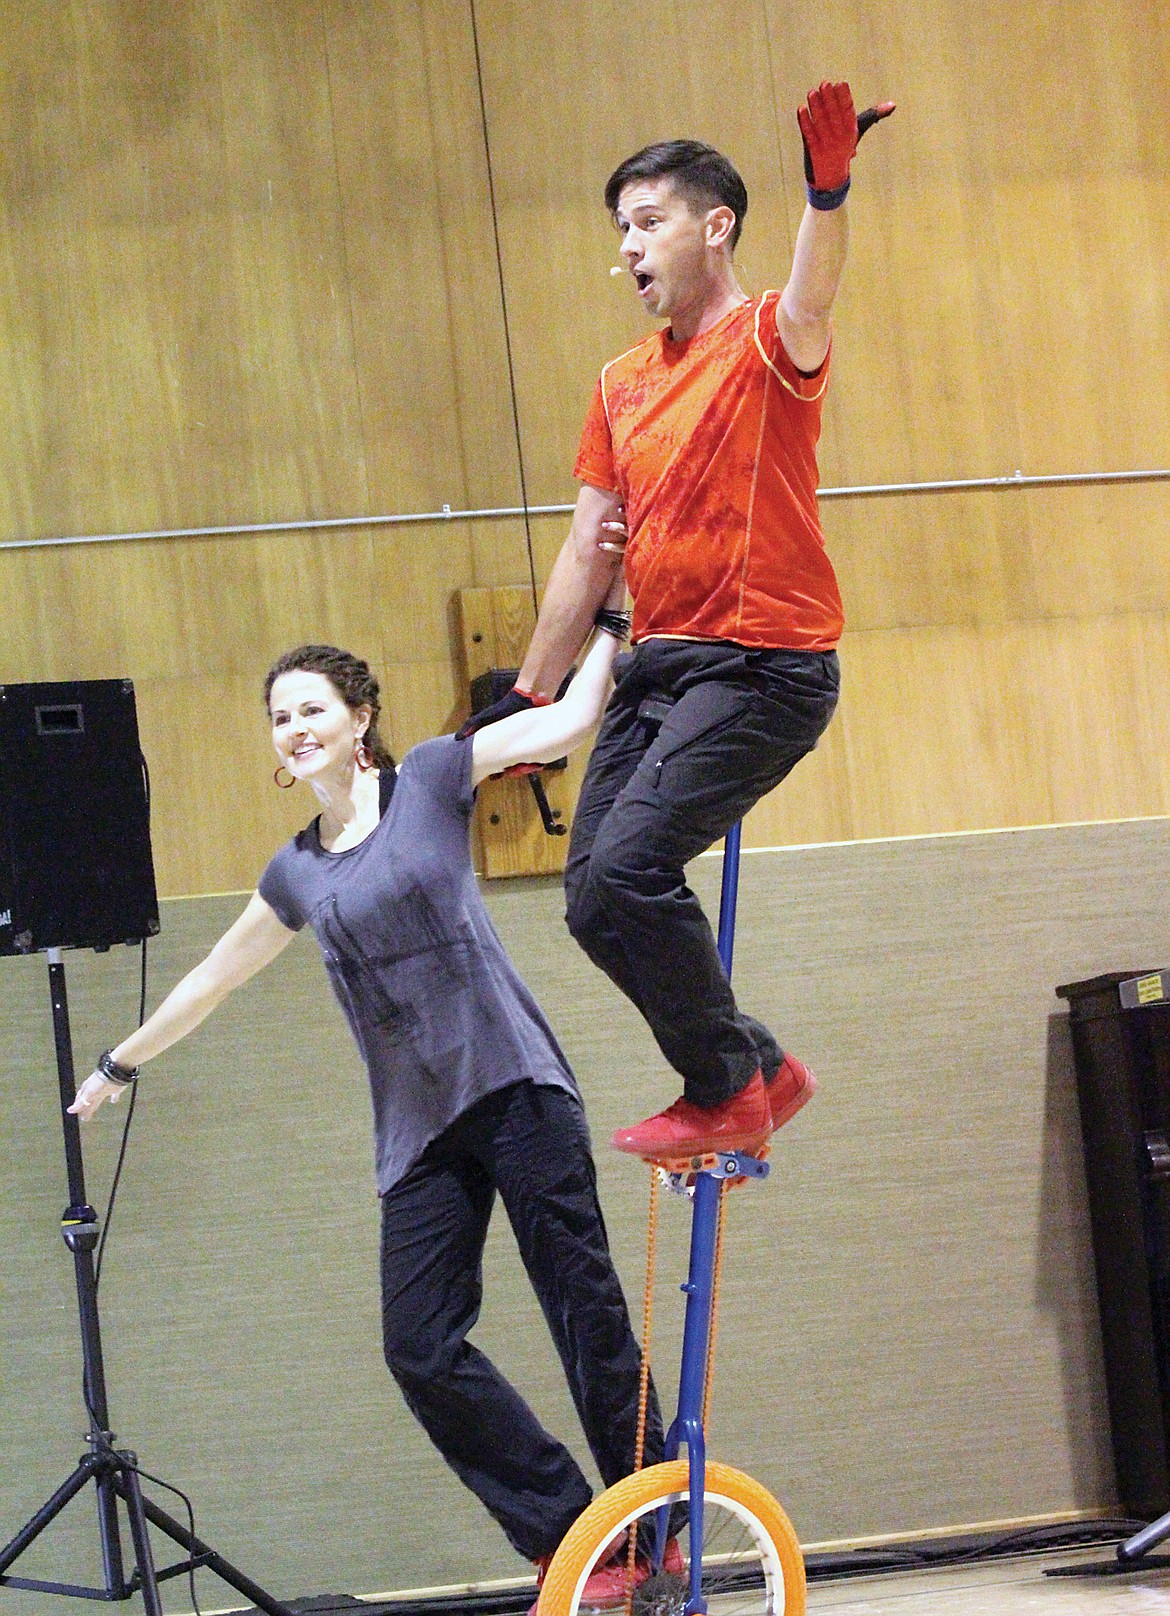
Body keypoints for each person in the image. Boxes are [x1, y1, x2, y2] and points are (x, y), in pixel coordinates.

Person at [68, 589, 672, 1605]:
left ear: (358, 717)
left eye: (310, 708)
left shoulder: (432, 777)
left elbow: (566, 724)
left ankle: (664, 1523)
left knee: (586, 1311)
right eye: (278, 717)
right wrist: (118, 1062)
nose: (293, 728)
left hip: (515, 1084)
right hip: (419, 1129)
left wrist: (610, 632)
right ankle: (580, 1536)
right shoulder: (297, 873)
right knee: (419, 1345)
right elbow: (211, 977)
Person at [462, 81, 894, 1164]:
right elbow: (582, 552)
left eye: (648, 222)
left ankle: (726, 1089)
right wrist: (526, 697)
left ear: (716, 227)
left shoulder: (764, 342)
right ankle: (764, 1067)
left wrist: (828, 191)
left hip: (765, 669)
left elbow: (813, 291)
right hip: (659, 668)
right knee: (591, 898)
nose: (629, 248)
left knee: (626, 873)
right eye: (620, 229)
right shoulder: (619, 385)